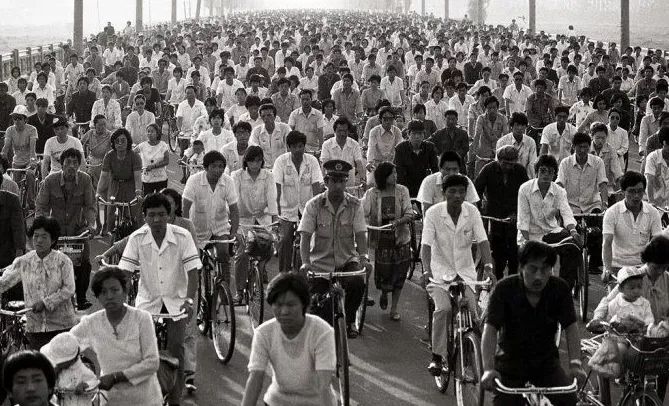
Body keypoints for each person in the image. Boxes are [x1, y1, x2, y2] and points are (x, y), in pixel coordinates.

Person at [118, 193, 202, 406]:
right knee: (143, 349)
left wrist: (189, 300)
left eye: (162, 214)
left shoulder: (183, 236)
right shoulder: (137, 238)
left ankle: (175, 397)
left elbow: (193, 272)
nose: (157, 220)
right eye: (152, 215)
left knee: (177, 349)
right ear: (144, 217)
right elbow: (125, 273)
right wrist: (121, 302)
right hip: (148, 300)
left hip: (177, 299)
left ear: (169, 215)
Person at [480, 241, 587, 406]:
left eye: (545, 269)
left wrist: (575, 364)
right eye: (532, 269)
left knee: (568, 399)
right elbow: (490, 329)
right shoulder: (504, 289)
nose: (538, 276)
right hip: (510, 365)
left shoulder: (560, 289)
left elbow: (571, 328)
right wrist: (488, 369)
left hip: (546, 364)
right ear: (521, 267)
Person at [421, 173, 494, 375]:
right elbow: (425, 245)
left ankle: (473, 352)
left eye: (462, 192)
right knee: (443, 309)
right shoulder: (434, 213)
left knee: (474, 313)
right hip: (438, 273)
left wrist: (488, 266)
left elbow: (483, 241)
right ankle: (437, 356)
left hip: (465, 272)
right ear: (444, 193)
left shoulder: (472, 212)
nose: (457, 196)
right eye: (452, 191)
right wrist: (426, 269)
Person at [241, 272, 336, 406]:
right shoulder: (264, 333)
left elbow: (324, 386)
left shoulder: (322, 332)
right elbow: (255, 379)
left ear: (303, 305)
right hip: (277, 401)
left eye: (291, 305)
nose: (284, 311)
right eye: (278, 305)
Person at [70, 267, 162, 405]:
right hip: (111, 400)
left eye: (115, 290)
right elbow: (62, 346)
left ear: (125, 291)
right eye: (103, 292)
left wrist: (116, 377)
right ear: (98, 296)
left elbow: (152, 362)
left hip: (146, 399)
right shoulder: (91, 323)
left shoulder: (142, 318)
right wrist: (79, 378)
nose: (109, 296)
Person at [298, 159, 369, 338]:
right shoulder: (313, 205)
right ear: (326, 181)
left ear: (346, 182)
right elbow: (305, 237)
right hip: (320, 264)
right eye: (334, 181)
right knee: (320, 315)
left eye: (342, 181)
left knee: (358, 283)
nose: (338, 186)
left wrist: (364, 258)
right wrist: (305, 263)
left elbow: (361, 234)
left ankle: (350, 320)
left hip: (346, 261)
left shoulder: (355, 204)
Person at [595, 234, 669, 400]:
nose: (660, 272)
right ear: (647, 261)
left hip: (658, 339)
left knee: (663, 370)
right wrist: (598, 318)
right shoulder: (633, 278)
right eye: (656, 267)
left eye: (664, 267)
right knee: (627, 375)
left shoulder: (667, 279)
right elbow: (608, 301)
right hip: (633, 339)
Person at [0, 216, 76, 350]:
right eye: (36, 236)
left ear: (53, 240)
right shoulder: (24, 261)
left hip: (62, 326)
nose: (39, 240)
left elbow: (69, 289)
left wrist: (45, 303)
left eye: (44, 237)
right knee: (37, 361)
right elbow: (4, 282)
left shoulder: (63, 261)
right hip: (35, 327)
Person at [35, 148, 96, 310]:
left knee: (85, 262)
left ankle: (81, 297)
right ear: (61, 164)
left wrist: (91, 225)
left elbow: (90, 206)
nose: (71, 166)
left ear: (79, 165)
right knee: (47, 262)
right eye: (68, 162)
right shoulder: (50, 181)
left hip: (78, 231)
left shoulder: (85, 180)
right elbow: (41, 207)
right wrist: (42, 227)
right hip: (56, 232)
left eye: (75, 163)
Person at [517, 155, 582, 290]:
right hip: (529, 235)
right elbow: (523, 219)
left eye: (550, 172)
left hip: (551, 232)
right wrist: (528, 243)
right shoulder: (525, 189)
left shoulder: (559, 191)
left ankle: (564, 288)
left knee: (573, 247)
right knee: (531, 260)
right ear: (536, 172)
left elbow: (566, 213)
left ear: (554, 174)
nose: (546, 175)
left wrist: (573, 231)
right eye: (542, 171)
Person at [362, 162, 413, 320]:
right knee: (384, 274)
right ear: (384, 176)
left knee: (400, 274)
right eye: (392, 173)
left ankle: (394, 308)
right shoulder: (372, 193)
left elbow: (409, 213)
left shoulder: (403, 191)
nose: (395, 176)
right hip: (381, 239)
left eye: (396, 173)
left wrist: (398, 222)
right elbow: (362, 212)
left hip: (401, 238)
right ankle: (384, 293)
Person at [475, 146, 529, 279]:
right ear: (498, 160)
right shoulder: (488, 169)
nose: (508, 167)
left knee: (514, 254)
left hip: (514, 217)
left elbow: (526, 194)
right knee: (497, 254)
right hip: (494, 216)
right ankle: (497, 280)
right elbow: (476, 192)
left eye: (512, 164)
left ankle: (513, 281)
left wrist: (518, 213)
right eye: (505, 163)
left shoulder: (520, 171)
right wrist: (478, 211)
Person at [273, 131, 324, 273]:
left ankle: (306, 273)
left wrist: (317, 212)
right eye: (294, 147)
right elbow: (277, 189)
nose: (298, 150)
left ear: (304, 146)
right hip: (286, 211)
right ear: (289, 147)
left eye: (301, 146)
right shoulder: (281, 161)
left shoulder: (312, 161)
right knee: (284, 240)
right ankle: (283, 275)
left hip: (307, 209)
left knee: (309, 241)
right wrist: (277, 214)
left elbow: (316, 187)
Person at [231, 146, 278, 295]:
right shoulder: (237, 175)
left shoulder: (268, 176)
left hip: (262, 218)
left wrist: (275, 222)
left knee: (268, 247)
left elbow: (272, 199)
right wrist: (234, 223)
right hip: (243, 219)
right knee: (242, 253)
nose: (255, 164)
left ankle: (260, 268)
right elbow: (234, 200)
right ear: (246, 161)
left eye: (258, 161)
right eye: (252, 161)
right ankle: (239, 291)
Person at [602, 171, 663, 279]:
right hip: (617, 267)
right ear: (623, 192)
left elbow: (656, 242)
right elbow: (607, 243)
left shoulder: (653, 213)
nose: (636, 196)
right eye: (631, 191)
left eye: (640, 191)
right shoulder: (612, 212)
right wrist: (607, 269)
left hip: (643, 267)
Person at [39, 332, 99, 406]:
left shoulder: (82, 369)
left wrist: (86, 385)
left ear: (70, 361)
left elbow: (94, 382)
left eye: (59, 362)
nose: (56, 364)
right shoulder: (57, 369)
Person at [1, 105, 38, 207]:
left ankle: (31, 201)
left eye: (20, 118)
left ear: (25, 119)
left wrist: (33, 161)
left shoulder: (32, 130)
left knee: (30, 174)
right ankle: (14, 202)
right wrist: (2, 157)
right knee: (14, 183)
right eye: (15, 118)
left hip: (29, 160)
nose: (17, 121)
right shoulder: (10, 130)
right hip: (17, 161)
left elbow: (32, 149)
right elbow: (6, 147)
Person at [394, 120, 439, 197]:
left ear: (424, 135)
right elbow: (399, 173)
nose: (417, 137)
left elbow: (435, 170)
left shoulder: (430, 147)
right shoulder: (400, 149)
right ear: (408, 134)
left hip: (425, 186)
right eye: (414, 133)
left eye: (420, 133)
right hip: (406, 188)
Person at [319, 117, 365, 187]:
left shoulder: (355, 144)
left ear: (348, 131)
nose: (342, 134)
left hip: (349, 182)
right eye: (339, 131)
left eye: (345, 131)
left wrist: (363, 179)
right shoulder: (326, 144)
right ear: (335, 131)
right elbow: (324, 164)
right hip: (331, 182)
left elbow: (359, 163)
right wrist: (323, 180)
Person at [366, 106, 403, 183]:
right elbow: (371, 147)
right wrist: (369, 162)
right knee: (370, 182)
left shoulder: (397, 131)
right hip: (376, 165)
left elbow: (400, 149)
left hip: (392, 165)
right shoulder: (374, 131)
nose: (388, 122)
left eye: (390, 119)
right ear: (380, 119)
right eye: (385, 119)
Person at [473, 96, 509, 176]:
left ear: (498, 108)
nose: (492, 110)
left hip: (498, 151)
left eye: (494, 108)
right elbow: (477, 134)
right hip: (483, 152)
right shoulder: (481, 118)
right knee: (479, 176)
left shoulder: (503, 118)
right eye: (489, 108)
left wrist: (504, 152)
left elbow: (506, 136)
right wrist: (474, 150)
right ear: (485, 108)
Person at [249, 103, 291, 169]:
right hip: (264, 168)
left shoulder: (285, 128)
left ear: (275, 116)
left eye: (269, 115)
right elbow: (254, 150)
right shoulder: (256, 131)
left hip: (282, 167)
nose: (266, 118)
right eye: (263, 116)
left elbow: (290, 148)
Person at [496, 112, 537, 178]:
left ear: (526, 127)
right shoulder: (502, 142)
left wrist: (532, 180)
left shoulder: (531, 142)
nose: (520, 128)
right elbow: (498, 162)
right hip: (506, 177)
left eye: (522, 125)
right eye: (517, 125)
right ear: (511, 126)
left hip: (525, 177)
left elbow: (532, 163)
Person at [80, 114, 112, 190]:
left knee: (104, 186)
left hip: (105, 162)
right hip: (92, 163)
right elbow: (80, 143)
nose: (103, 127)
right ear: (95, 125)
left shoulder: (110, 135)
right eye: (100, 125)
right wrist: (83, 156)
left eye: (104, 124)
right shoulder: (90, 133)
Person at [644, 126, 669, 207]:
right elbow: (649, 181)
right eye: (668, 144)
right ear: (663, 143)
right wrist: (651, 201)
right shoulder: (653, 157)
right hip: (655, 203)